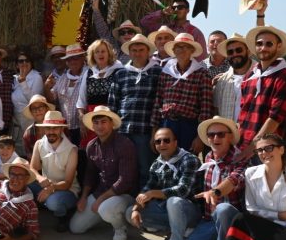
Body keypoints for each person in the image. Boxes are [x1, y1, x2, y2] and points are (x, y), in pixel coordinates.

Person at [127, 127, 202, 240]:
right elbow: (147, 188)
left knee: (174, 201)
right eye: (158, 141)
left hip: (192, 212)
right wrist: (137, 208)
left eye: (166, 140)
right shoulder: (157, 163)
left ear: (175, 142)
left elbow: (183, 190)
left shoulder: (189, 159)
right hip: (170, 211)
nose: (162, 144)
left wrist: (155, 193)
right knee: (130, 212)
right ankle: (175, 232)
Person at [179, 116, 248, 240]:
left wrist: (215, 192)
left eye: (221, 134)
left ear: (230, 137)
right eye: (211, 135)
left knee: (223, 209)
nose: (215, 138)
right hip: (209, 220)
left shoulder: (240, 158)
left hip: (231, 222)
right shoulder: (209, 157)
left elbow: (235, 180)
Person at [69, 106, 137, 240]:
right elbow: (90, 174)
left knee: (105, 208)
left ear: (112, 123)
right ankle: (108, 215)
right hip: (101, 191)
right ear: (92, 126)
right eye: (96, 122)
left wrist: (100, 199)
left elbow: (125, 181)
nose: (100, 126)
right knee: (76, 228)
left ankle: (120, 227)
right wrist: (83, 197)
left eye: (104, 121)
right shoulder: (91, 146)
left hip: (124, 194)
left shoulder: (124, 144)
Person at [108, 34, 161, 188]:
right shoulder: (121, 73)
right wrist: (113, 131)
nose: (137, 53)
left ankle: (143, 201)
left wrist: (154, 132)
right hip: (123, 130)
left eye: (141, 50)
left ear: (148, 52)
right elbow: (113, 103)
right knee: (124, 169)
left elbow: (158, 103)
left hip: (145, 130)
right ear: (129, 52)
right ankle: (126, 199)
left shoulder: (157, 72)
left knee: (146, 168)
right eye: (134, 50)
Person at [237, 25, 286, 161]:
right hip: (244, 144)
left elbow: (275, 118)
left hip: (266, 148)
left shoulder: (284, 77)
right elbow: (243, 112)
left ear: (278, 46)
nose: (263, 48)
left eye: (269, 44)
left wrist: (253, 147)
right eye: (259, 44)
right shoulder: (250, 76)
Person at [151, 33, 213, 154]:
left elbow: (206, 108)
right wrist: (154, 130)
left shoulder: (201, 73)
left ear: (192, 50)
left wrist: (200, 137)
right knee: (167, 162)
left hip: (188, 126)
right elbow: (158, 101)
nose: (182, 50)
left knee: (187, 161)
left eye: (186, 47)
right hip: (166, 123)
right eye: (179, 47)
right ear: (174, 50)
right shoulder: (166, 72)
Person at [29, 111, 81, 232]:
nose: (51, 131)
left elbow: (68, 183)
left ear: (61, 129)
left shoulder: (72, 150)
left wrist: (51, 188)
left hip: (67, 190)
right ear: (44, 129)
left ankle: (63, 216)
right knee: (24, 181)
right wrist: (40, 178)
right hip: (47, 185)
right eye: (48, 128)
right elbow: (32, 168)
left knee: (53, 201)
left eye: (55, 128)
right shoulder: (39, 144)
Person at [75, 39, 123, 148]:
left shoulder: (119, 71)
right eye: (97, 52)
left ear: (109, 53)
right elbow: (81, 99)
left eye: (103, 51)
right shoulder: (88, 72)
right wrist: (82, 119)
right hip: (92, 118)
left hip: (110, 117)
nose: (100, 54)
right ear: (93, 55)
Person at [139, 0, 207, 60]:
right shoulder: (165, 28)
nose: (177, 9)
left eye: (180, 7)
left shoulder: (195, 32)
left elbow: (201, 57)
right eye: (174, 7)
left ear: (187, 10)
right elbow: (144, 22)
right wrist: (162, 12)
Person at [45, 43, 86, 145]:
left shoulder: (89, 74)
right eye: (69, 59)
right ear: (66, 62)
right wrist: (46, 87)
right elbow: (52, 98)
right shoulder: (63, 78)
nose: (73, 61)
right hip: (66, 128)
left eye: (76, 58)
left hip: (84, 127)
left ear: (83, 58)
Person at [90, 0, 142, 64]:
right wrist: (96, 10)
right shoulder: (115, 46)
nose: (126, 34)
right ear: (119, 37)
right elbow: (103, 32)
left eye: (130, 32)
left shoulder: (141, 49)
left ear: (135, 35)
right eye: (122, 33)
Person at [213, 33, 253, 122]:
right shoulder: (222, 80)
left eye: (238, 50)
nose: (235, 54)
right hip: (228, 134)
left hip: (252, 133)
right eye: (230, 52)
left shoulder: (261, 75)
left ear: (247, 51)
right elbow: (215, 110)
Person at [11, 51, 44, 144]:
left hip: (31, 120)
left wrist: (23, 83)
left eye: (27, 61)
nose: (24, 63)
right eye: (21, 61)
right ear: (17, 65)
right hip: (17, 122)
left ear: (31, 63)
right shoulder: (14, 78)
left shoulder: (37, 77)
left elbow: (34, 101)